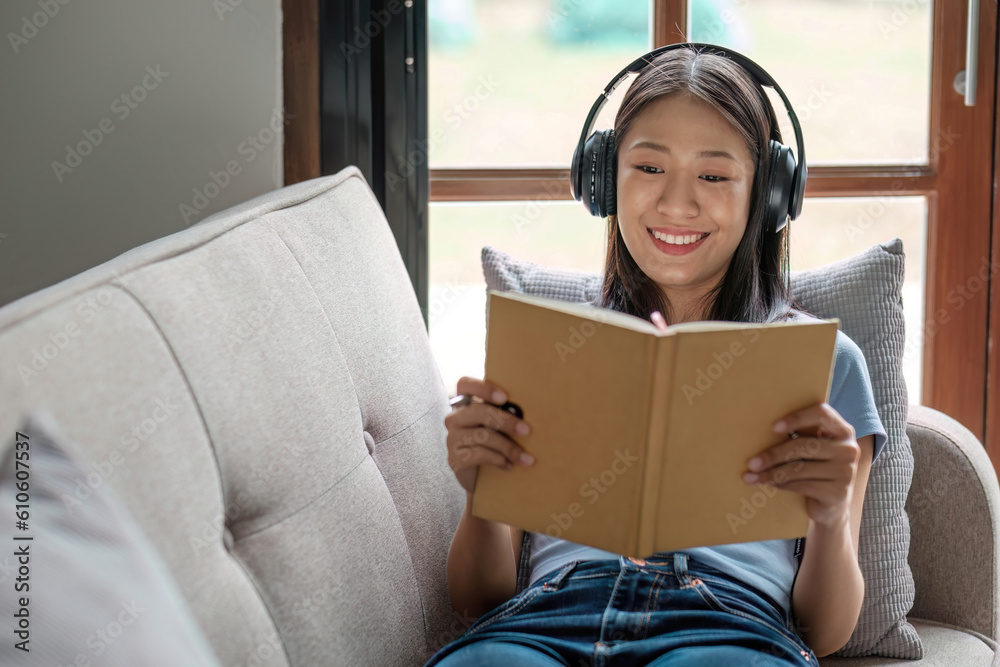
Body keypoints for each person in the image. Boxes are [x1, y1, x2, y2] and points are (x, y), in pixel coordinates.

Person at [427, 44, 888, 666]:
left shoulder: (827, 361)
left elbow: (826, 631)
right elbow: (477, 599)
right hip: (545, 619)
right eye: (647, 168)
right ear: (602, 181)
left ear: (769, 195)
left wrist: (829, 519)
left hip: (726, 627)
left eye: (715, 175)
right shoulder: (545, 349)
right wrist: (481, 494)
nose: (677, 203)